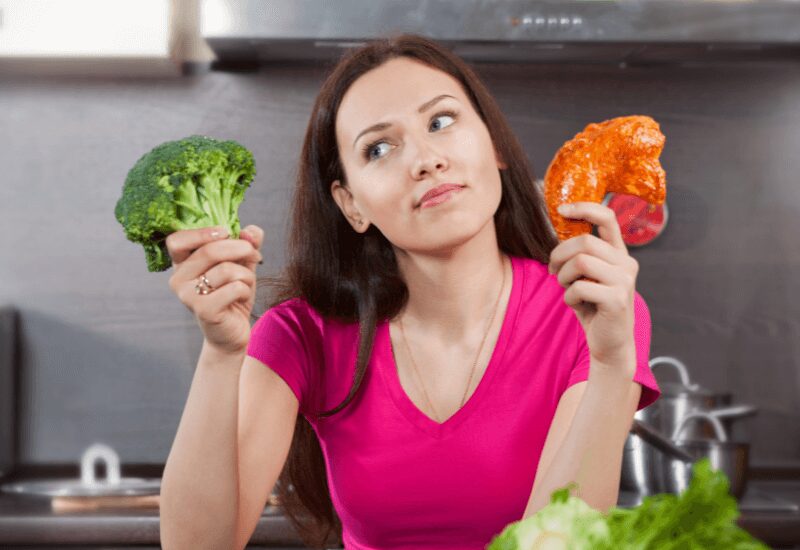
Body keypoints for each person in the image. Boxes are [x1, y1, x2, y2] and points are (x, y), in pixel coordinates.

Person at [159, 33, 661, 550]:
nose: (426, 159)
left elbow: (559, 544)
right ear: (351, 203)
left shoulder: (596, 316)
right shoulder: (298, 335)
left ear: (494, 146)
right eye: (379, 148)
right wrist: (221, 355)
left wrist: (610, 366)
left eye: (441, 122)